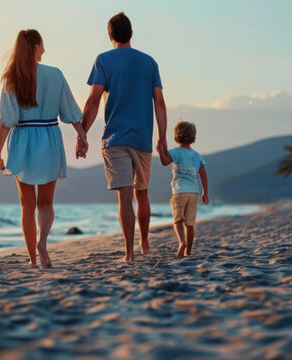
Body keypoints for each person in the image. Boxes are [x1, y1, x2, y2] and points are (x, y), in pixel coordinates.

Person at [0, 29, 87, 269]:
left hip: (23, 139)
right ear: (36, 47)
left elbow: (7, 120)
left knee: (27, 205)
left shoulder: (11, 78)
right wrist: (82, 134)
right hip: (48, 136)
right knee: (46, 203)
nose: (44, 49)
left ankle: (33, 260)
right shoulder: (55, 74)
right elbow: (70, 110)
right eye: (43, 45)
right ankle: (42, 242)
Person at [80, 12, 168, 262]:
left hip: (115, 138)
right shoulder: (149, 62)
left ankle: (129, 254)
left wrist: (82, 133)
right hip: (142, 139)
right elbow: (159, 103)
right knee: (142, 194)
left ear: (110, 35)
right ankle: (145, 244)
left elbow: (93, 100)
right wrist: (162, 138)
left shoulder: (104, 60)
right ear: (131, 33)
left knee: (125, 196)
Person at [157, 120, 209, 258]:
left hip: (179, 192)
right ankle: (189, 252)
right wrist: (205, 192)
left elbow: (164, 162)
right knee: (190, 224)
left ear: (176, 137)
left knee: (178, 220)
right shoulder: (197, 155)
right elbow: (203, 174)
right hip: (194, 193)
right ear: (193, 137)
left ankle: (181, 242)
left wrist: (161, 151)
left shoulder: (176, 152)